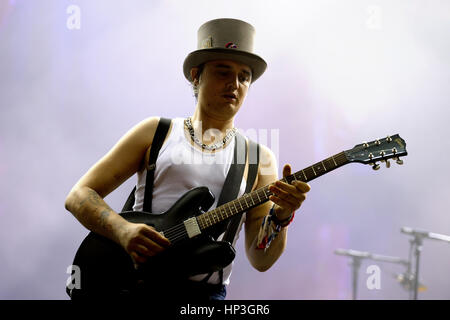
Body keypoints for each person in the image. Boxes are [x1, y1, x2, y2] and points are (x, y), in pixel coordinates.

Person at [64, 18, 311, 300]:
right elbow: (79, 195)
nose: (235, 83)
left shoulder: (260, 158)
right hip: (133, 285)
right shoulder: (156, 131)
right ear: (196, 75)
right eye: (223, 71)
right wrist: (123, 231)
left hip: (202, 296)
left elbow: (260, 259)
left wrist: (281, 216)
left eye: (244, 76)